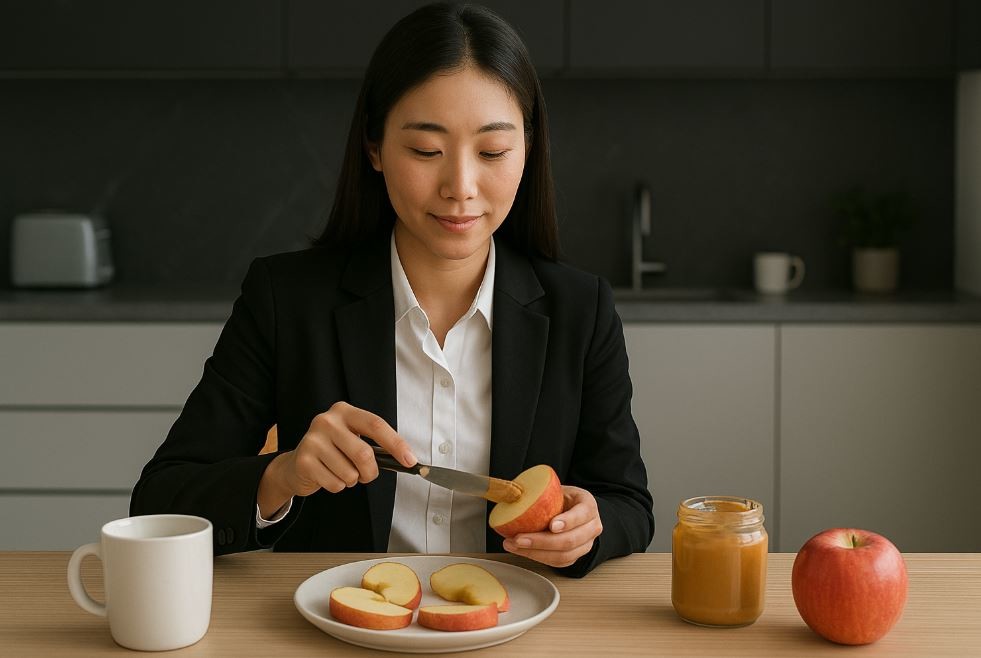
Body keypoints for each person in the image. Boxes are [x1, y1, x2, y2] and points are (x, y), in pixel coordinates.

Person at [130, 2, 653, 577]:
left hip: (514, 625)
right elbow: (159, 498)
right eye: (426, 150)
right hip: (339, 624)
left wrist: (588, 525)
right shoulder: (286, 299)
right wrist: (281, 476)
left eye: (493, 152)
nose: (460, 186)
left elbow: (628, 503)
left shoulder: (582, 310)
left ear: (528, 151)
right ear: (375, 148)